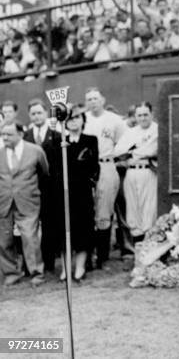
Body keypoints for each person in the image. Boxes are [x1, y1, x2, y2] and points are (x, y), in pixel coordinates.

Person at [0, 121, 49, 286]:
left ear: (20, 134)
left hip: (28, 201)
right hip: (4, 202)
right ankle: (11, 273)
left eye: (9, 134)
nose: (4, 137)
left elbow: (44, 172)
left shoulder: (35, 151)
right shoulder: (0, 153)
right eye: (3, 134)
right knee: (4, 239)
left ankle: (36, 273)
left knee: (30, 237)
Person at [84, 88, 127, 269]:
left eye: (95, 98)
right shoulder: (83, 119)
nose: (93, 102)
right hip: (86, 167)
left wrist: (118, 160)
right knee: (88, 210)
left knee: (104, 211)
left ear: (102, 99)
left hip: (107, 164)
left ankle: (102, 256)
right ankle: (88, 255)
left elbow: (124, 143)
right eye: (89, 99)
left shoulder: (114, 119)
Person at [59, 105, 99, 281]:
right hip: (64, 193)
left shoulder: (90, 140)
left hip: (82, 192)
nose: (73, 122)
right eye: (70, 119)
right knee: (65, 229)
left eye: (77, 118)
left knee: (83, 229)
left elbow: (92, 166)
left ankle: (80, 267)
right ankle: (66, 268)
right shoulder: (60, 141)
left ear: (83, 120)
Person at [23, 99, 63, 275]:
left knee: (49, 225)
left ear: (46, 113)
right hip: (30, 187)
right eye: (33, 113)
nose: (36, 116)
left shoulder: (56, 135)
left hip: (51, 188)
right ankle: (29, 265)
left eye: (39, 112)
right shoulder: (26, 136)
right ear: (29, 116)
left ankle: (48, 263)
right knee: (29, 227)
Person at [113, 102, 158, 245]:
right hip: (131, 173)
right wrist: (138, 152)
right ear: (135, 116)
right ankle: (138, 252)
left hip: (149, 172)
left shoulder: (157, 129)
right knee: (133, 210)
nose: (143, 118)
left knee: (149, 211)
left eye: (146, 114)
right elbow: (118, 152)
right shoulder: (131, 131)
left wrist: (132, 152)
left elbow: (152, 150)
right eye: (139, 115)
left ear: (152, 114)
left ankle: (149, 251)